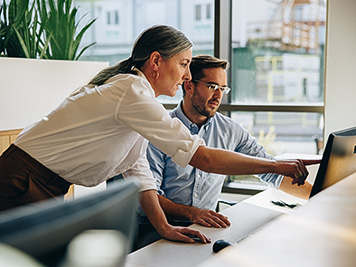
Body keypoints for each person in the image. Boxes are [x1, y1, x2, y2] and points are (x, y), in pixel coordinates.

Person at [0, 25, 318, 245]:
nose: (186, 75)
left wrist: (164, 228)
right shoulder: (132, 92)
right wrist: (276, 166)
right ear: (156, 62)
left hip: (39, 182)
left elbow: (138, 173)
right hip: (22, 179)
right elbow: (202, 158)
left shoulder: (137, 99)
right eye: (183, 64)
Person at [141, 55, 314, 235]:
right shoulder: (159, 130)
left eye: (223, 88)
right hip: (160, 228)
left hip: (205, 227)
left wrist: (319, 197)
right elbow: (149, 194)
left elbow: (272, 173)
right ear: (189, 86)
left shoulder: (230, 131)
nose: (218, 96)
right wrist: (192, 214)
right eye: (212, 86)